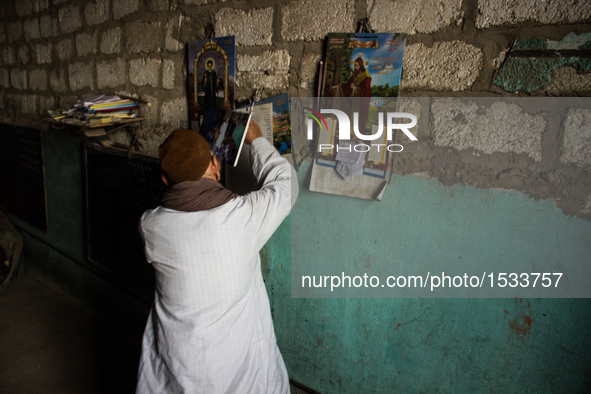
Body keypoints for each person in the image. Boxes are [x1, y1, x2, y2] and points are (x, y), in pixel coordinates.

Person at [136, 121, 297, 393]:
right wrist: (255, 139)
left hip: (180, 365)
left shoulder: (150, 226)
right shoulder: (242, 217)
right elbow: (286, 183)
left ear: (164, 179)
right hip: (238, 369)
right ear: (215, 164)